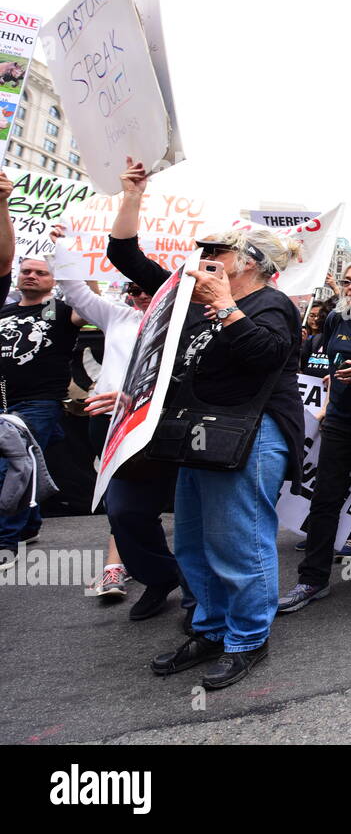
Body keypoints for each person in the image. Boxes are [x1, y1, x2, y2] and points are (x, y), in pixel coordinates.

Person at [109, 158, 303, 690]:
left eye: (217, 253)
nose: (204, 259)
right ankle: (212, 628)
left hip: (251, 434)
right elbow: (125, 256)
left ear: (248, 264)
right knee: (194, 542)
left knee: (240, 542)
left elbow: (267, 355)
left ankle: (247, 639)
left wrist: (226, 308)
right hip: (199, 435)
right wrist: (133, 195)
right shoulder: (190, 302)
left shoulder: (272, 304)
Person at [50, 226, 194, 619]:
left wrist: (140, 399)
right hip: (115, 427)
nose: (141, 295)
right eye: (134, 289)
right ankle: (161, 576)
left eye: (149, 288)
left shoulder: (185, 325)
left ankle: (201, 592)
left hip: (165, 426)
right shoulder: (117, 317)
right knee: (124, 511)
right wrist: (60, 247)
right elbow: (76, 292)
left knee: (191, 509)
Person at [278, 261, 351, 614]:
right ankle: (312, 580)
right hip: (340, 424)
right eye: (348, 281)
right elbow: (331, 368)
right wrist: (328, 406)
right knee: (325, 500)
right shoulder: (335, 320)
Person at [0, 221, 87, 569]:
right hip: (4, 402)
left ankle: (5, 542)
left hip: (37, 402)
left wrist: (69, 256)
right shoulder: (4, 309)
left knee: (11, 467)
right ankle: (29, 524)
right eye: (26, 271)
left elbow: (86, 306)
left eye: (40, 272)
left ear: (53, 280)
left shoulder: (55, 311)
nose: (31, 277)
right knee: (26, 465)